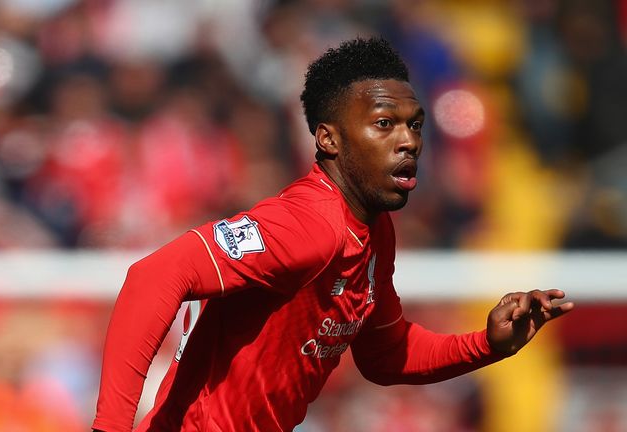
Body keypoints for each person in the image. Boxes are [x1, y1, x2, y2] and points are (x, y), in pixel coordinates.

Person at [92, 37, 574, 432]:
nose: (408, 140)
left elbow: (385, 355)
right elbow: (152, 277)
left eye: (415, 125)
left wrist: (486, 345)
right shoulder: (308, 225)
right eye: (384, 125)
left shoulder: (373, 229)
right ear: (329, 140)